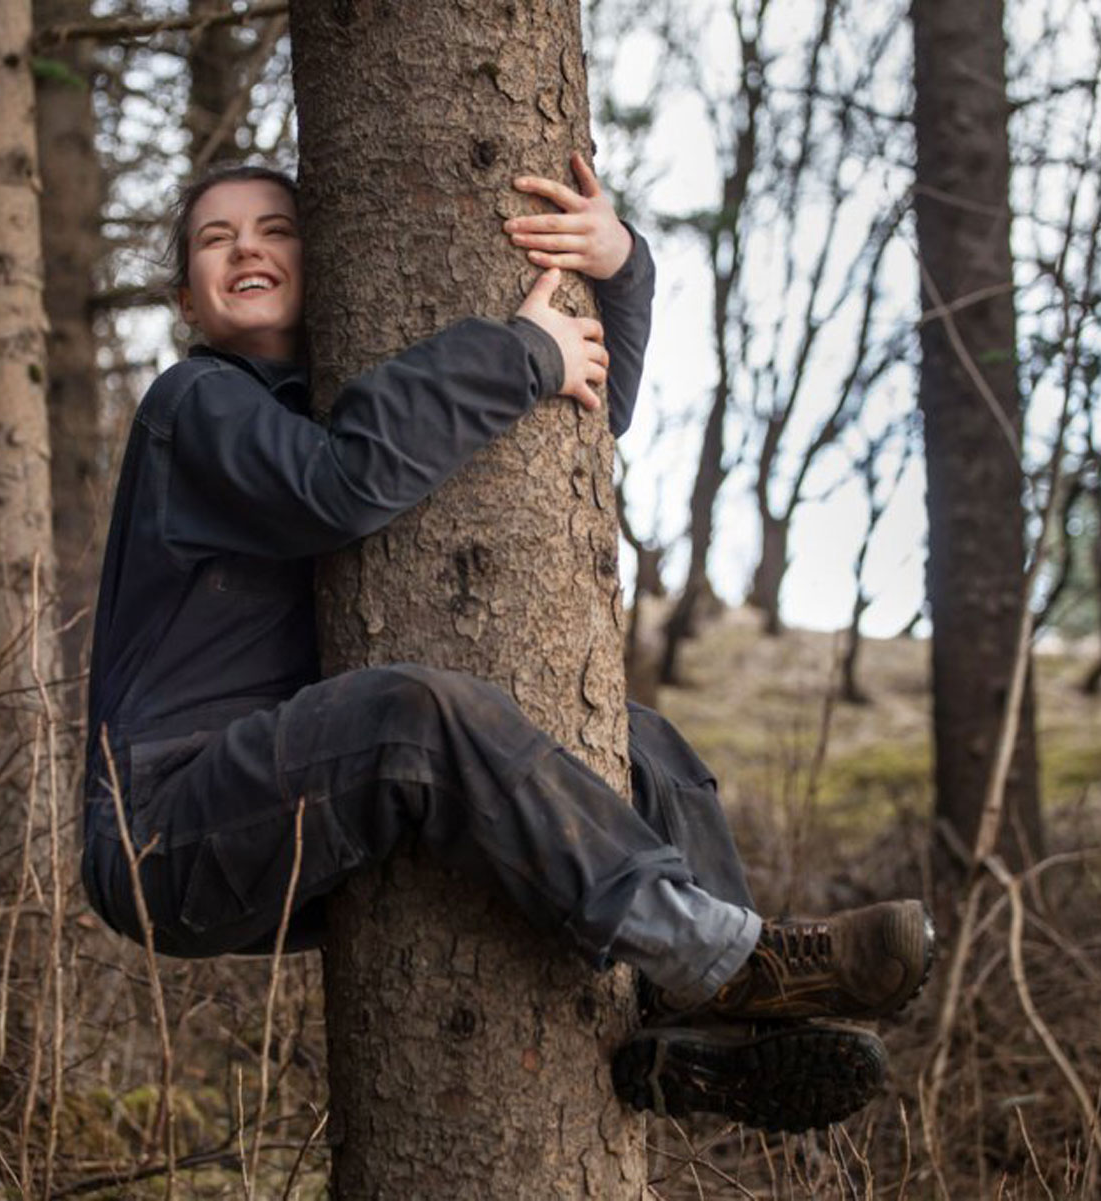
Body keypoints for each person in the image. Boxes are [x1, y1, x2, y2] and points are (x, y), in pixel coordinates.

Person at [81, 155, 935, 1133]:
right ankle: (724, 956)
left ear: (327, 257)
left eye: (276, 229)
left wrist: (619, 270)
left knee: (632, 740)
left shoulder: (331, 390)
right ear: (186, 295)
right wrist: (520, 351)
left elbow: (576, 430)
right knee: (410, 714)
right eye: (216, 238)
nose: (247, 249)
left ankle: (714, 1029)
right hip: (167, 822)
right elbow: (338, 486)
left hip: (282, 789)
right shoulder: (192, 404)